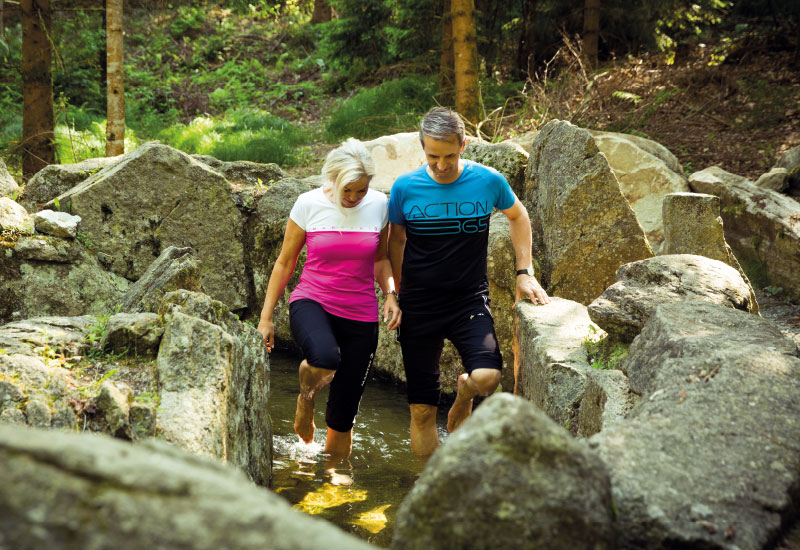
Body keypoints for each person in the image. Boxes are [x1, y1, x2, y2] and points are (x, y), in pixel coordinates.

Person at [388, 107, 550, 456]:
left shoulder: (488, 180)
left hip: (468, 302)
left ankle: (464, 393)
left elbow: (518, 216)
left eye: (449, 155)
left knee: (488, 378)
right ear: (422, 148)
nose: (442, 165)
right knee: (421, 409)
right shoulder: (404, 188)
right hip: (418, 305)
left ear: (464, 145)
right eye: (433, 156)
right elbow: (396, 242)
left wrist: (525, 272)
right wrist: (395, 294)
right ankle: (426, 494)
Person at [257, 138, 401, 462]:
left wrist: (391, 294)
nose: (352, 198)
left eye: (360, 191)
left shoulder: (380, 205)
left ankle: (335, 476)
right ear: (331, 179)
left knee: (344, 412)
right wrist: (266, 318)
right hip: (313, 301)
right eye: (345, 189)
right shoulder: (308, 204)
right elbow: (285, 262)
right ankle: (305, 398)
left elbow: (381, 261)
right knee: (324, 357)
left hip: (361, 314)